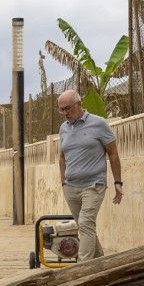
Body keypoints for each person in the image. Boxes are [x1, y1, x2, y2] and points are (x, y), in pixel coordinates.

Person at [56, 88, 124, 259]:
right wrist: (63, 182)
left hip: (94, 185)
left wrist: (118, 182)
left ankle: (83, 267)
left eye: (68, 108)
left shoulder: (99, 124)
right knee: (85, 226)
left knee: (86, 223)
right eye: (61, 109)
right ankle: (101, 263)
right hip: (71, 187)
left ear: (79, 104)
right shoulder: (63, 128)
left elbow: (113, 154)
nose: (65, 113)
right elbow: (62, 157)